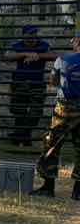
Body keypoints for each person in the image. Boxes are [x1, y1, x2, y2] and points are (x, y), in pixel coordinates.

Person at [35, 28, 80, 199]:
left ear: (77, 42)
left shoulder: (62, 59)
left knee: (51, 145)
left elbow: (53, 81)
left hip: (64, 108)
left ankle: (48, 187)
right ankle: (78, 191)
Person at [9, 24, 52, 146]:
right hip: (19, 83)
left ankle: (20, 135)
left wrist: (38, 55)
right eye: (30, 34)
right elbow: (6, 56)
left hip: (37, 84)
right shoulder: (18, 45)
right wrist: (24, 54)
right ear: (24, 35)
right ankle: (23, 139)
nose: (33, 36)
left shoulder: (43, 45)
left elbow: (55, 55)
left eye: (34, 34)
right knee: (19, 112)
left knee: (36, 112)